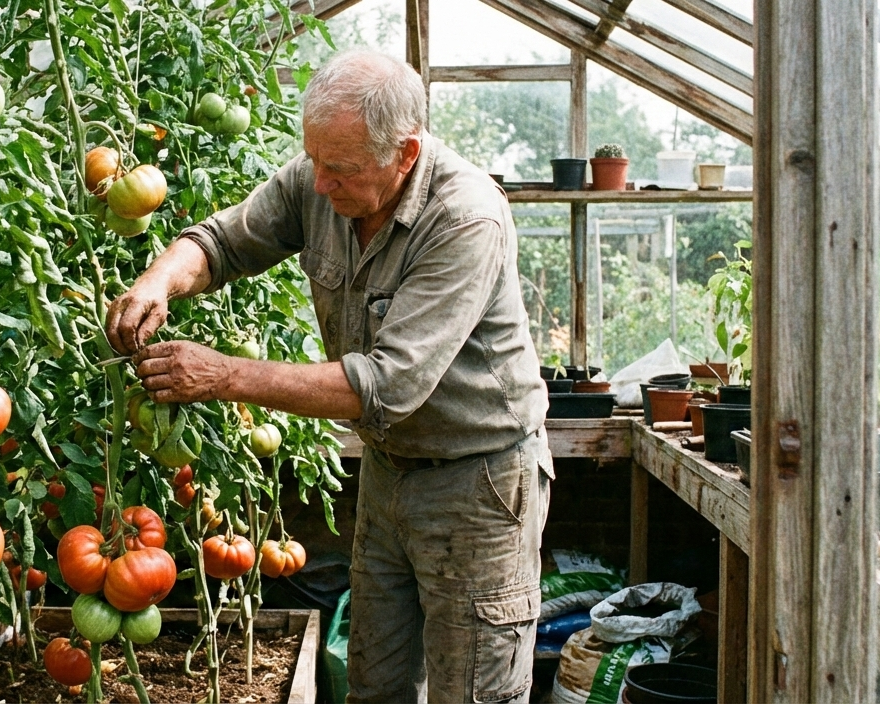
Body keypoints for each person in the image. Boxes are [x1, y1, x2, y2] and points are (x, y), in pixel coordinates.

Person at [105, 49, 551, 703]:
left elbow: (386, 387)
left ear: (405, 154)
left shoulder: (464, 218)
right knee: (376, 685)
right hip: (389, 472)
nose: (319, 184)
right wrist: (159, 281)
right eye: (315, 160)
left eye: (339, 169)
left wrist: (225, 374)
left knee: (474, 691)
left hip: (478, 483)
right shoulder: (322, 178)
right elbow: (223, 241)